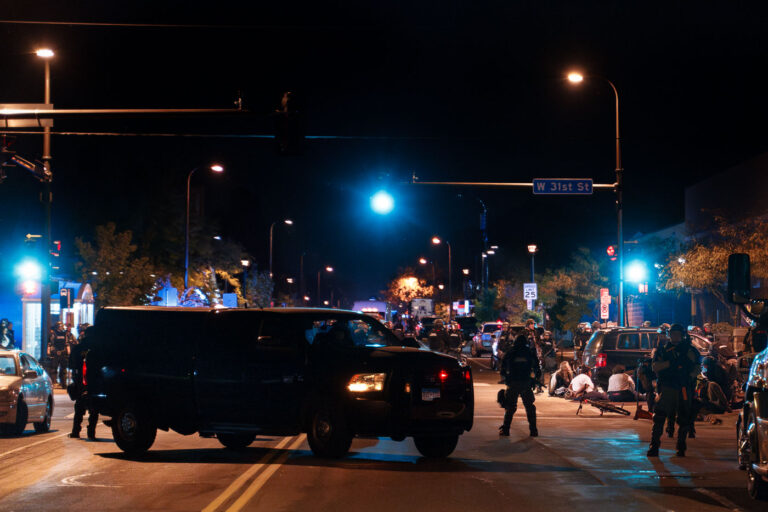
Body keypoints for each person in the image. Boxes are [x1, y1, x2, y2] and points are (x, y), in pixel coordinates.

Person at [647, 323, 701, 457]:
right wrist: (671, 363)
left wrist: (689, 376)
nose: (675, 336)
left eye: (678, 334)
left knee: (684, 418)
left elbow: (697, 368)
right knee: (659, 417)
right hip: (667, 386)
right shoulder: (663, 350)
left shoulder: (691, 350)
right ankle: (654, 446)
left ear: (682, 336)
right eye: (673, 334)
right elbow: (655, 367)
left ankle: (681, 447)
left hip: (683, 386)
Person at [498, 334, 539, 437]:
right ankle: (533, 430)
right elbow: (537, 368)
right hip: (526, 383)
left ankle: (506, 429)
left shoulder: (511, 352)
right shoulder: (529, 352)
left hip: (513, 383)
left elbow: (503, 368)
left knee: (510, 407)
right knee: (529, 407)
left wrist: (507, 378)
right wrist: (534, 379)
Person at [67, 328, 99, 439]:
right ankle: (91, 433)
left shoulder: (78, 347)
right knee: (94, 409)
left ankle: (76, 431)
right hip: (95, 381)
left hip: (80, 381)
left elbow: (71, 364)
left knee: (79, 408)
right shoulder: (97, 347)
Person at [48, 321, 75, 387]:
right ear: (57, 327)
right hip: (55, 352)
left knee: (63, 369)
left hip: (63, 352)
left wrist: (68, 352)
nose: (62, 328)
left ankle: (63, 383)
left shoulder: (65, 334)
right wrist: (48, 351)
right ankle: (54, 382)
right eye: (60, 326)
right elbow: (50, 343)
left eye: (62, 326)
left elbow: (67, 343)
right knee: (54, 368)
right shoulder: (53, 334)